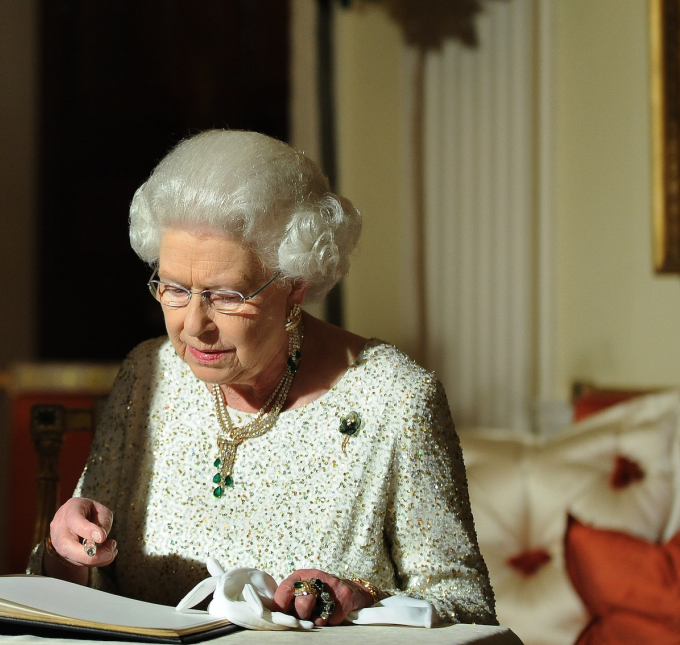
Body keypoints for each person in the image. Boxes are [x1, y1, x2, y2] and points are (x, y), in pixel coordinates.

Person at [40, 130, 497, 626]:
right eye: (173, 288)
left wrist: (361, 600)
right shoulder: (147, 376)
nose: (194, 324)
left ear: (295, 284)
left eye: (227, 295)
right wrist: (67, 550)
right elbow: (82, 586)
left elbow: (468, 610)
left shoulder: (394, 399)